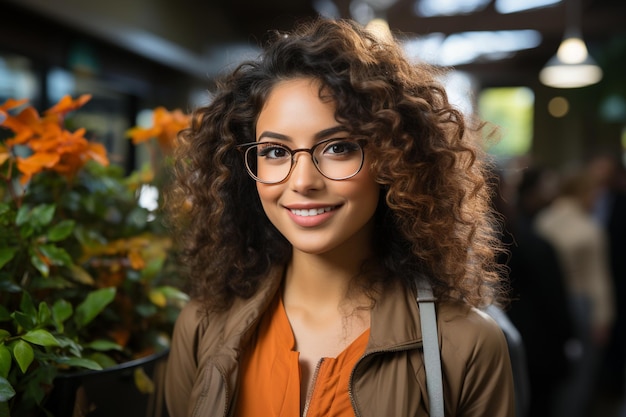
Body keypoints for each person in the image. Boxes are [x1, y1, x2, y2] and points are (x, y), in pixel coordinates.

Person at [164, 17, 514, 417]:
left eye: (337, 148)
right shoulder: (201, 327)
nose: (303, 181)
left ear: (391, 160)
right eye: (275, 152)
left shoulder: (465, 345)